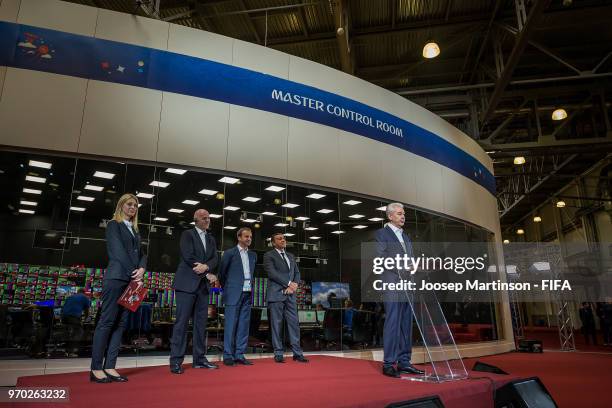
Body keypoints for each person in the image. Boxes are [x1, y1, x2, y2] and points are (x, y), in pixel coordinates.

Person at [90, 193, 146, 383]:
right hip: (116, 279)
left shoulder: (136, 230)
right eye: (129, 204)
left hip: (132, 282)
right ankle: (96, 368)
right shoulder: (114, 225)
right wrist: (134, 272)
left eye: (135, 205)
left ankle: (110, 366)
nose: (132, 208)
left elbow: (142, 253)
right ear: (121, 206)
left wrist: (142, 269)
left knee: (120, 324)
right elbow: (118, 252)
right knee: (106, 322)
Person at [374, 202, 424, 378]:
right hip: (392, 283)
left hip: (407, 285)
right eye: (399, 213)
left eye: (404, 214)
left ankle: (404, 362)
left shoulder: (406, 236)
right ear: (390, 216)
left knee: (405, 324)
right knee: (393, 323)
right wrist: (404, 266)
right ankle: (389, 363)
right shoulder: (381, 234)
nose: (403, 216)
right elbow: (381, 258)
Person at [169, 209, 219, 374]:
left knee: (200, 325)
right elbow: (187, 256)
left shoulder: (211, 238)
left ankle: (199, 359)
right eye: (204, 218)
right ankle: (176, 361)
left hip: (203, 288)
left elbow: (215, 258)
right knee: (181, 324)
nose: (207, 220)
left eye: (209, 218)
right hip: (186, 284)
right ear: (195, 219)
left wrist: (207, 266)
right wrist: (205, 270)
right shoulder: (188, 235)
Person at [263, 232, 308, 363]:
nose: (283, 240)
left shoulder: (290, 256)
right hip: (276, 294)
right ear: (273, 242)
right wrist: (288, 284)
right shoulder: (269, 255)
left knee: (294, 324)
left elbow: (297, 273)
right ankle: (278, 353)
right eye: (279, 238)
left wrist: (293, 286)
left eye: (284, 238)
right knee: (276, 325)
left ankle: (297, 353)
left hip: (290, 295)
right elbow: (272, 273)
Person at [218, 227, 257, 366]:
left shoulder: (253, 255)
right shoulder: (229, 253)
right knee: (230, 325)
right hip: (233, 293)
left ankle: (239, 354)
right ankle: (228, 355)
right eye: (246, 236)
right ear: (239, 237)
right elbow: (221, 274)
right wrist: (229, 288)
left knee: (243, 326)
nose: (249, 239)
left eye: (250, 236)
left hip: (247, 293)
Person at [61, 288, 91, 356]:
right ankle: (71, 351)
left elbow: (63, 308)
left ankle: (66, 350)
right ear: (84, 293)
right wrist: (86, 319)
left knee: (68, 332)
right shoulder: (85, 297)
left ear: (77, 292)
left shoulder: (70, 297)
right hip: (73, 317)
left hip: (64, 317)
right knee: (79, 332)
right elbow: (87, 310)